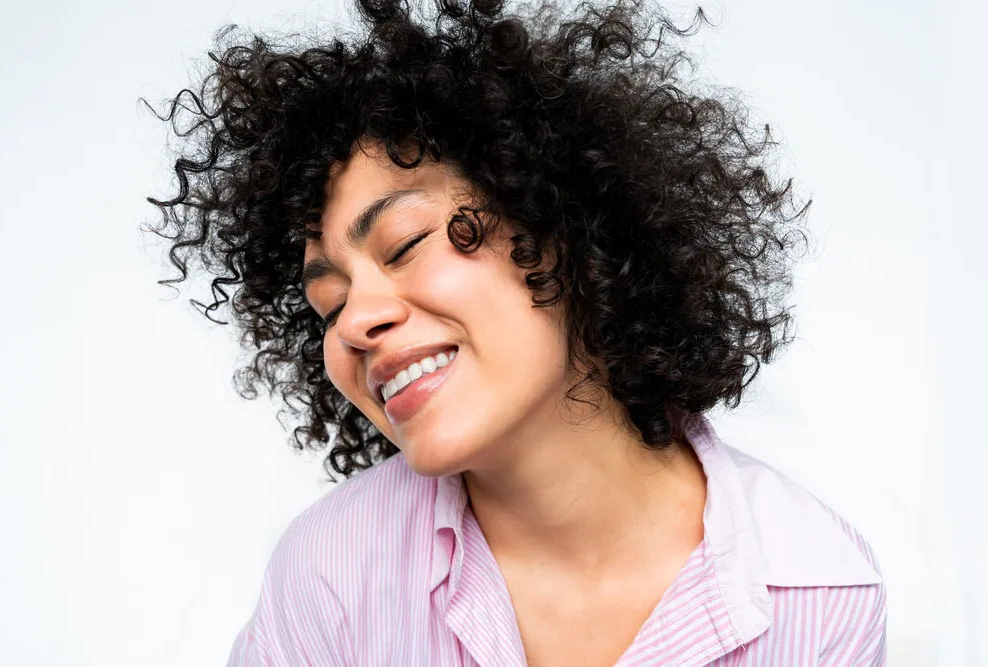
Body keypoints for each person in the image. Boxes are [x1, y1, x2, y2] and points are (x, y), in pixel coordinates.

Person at [143, 0, 887, 664]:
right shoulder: (331, 573)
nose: (357, 323)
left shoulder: (819, 596)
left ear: (560, 227)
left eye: (404, 244)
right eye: (330, 306)